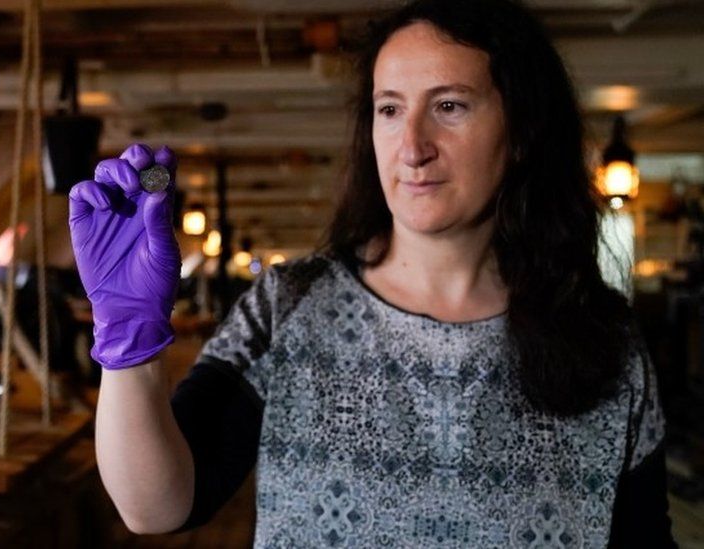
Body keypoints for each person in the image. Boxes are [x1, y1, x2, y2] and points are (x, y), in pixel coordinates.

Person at [67, 0, 676, 546]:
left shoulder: (606, 340)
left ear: (520, 130)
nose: (412, 145)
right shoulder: (290, 306)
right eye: (390, 109)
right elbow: (158, 508)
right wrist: (128, 346)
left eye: (449, 106)